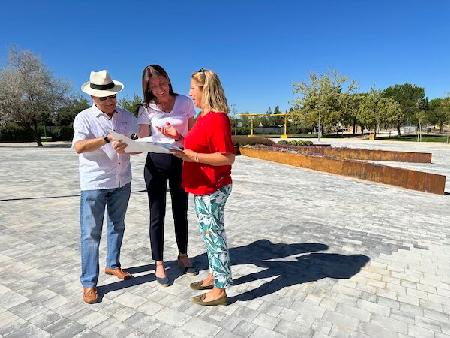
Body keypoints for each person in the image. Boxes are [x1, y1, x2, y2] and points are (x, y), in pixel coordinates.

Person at [73, 70, 137, 304]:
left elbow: (137, 144)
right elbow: (79, 147)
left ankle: (113, 265)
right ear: (93, 98)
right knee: (90, 234)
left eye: (112, 96)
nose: (110, 101)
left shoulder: (128, 116)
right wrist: (106, 140)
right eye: (104, 98)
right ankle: (89, 283)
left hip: (122, 181)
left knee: (117, 226)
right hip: (95, 183)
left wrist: (129, 146)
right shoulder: (83, 118)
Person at [172, 68, 235, 306]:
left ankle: (220, 290)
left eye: (192, 89)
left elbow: (227, 157)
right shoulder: (204, 117)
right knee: (209, 237)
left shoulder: (218, 118)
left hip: (212, 188)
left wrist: (192, 158)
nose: (189, 94)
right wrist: (177, 136)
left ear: (205, 90)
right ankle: (214, 275)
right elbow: (198, 143)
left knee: (215, 236)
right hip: (201, 187)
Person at [137, 65, 196, 286]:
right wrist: (129, 145)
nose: (159, 89)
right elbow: (142, 139)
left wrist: (178, 135)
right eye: (153, 87)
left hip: (181, 161)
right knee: (156, 213)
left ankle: (183, 254)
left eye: (161, 83)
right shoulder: (146, 108)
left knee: (181, 210)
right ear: (147, 88)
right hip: (155, 163)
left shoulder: (185, 102)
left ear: (168, 79)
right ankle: (159, 262)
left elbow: (194, 137)